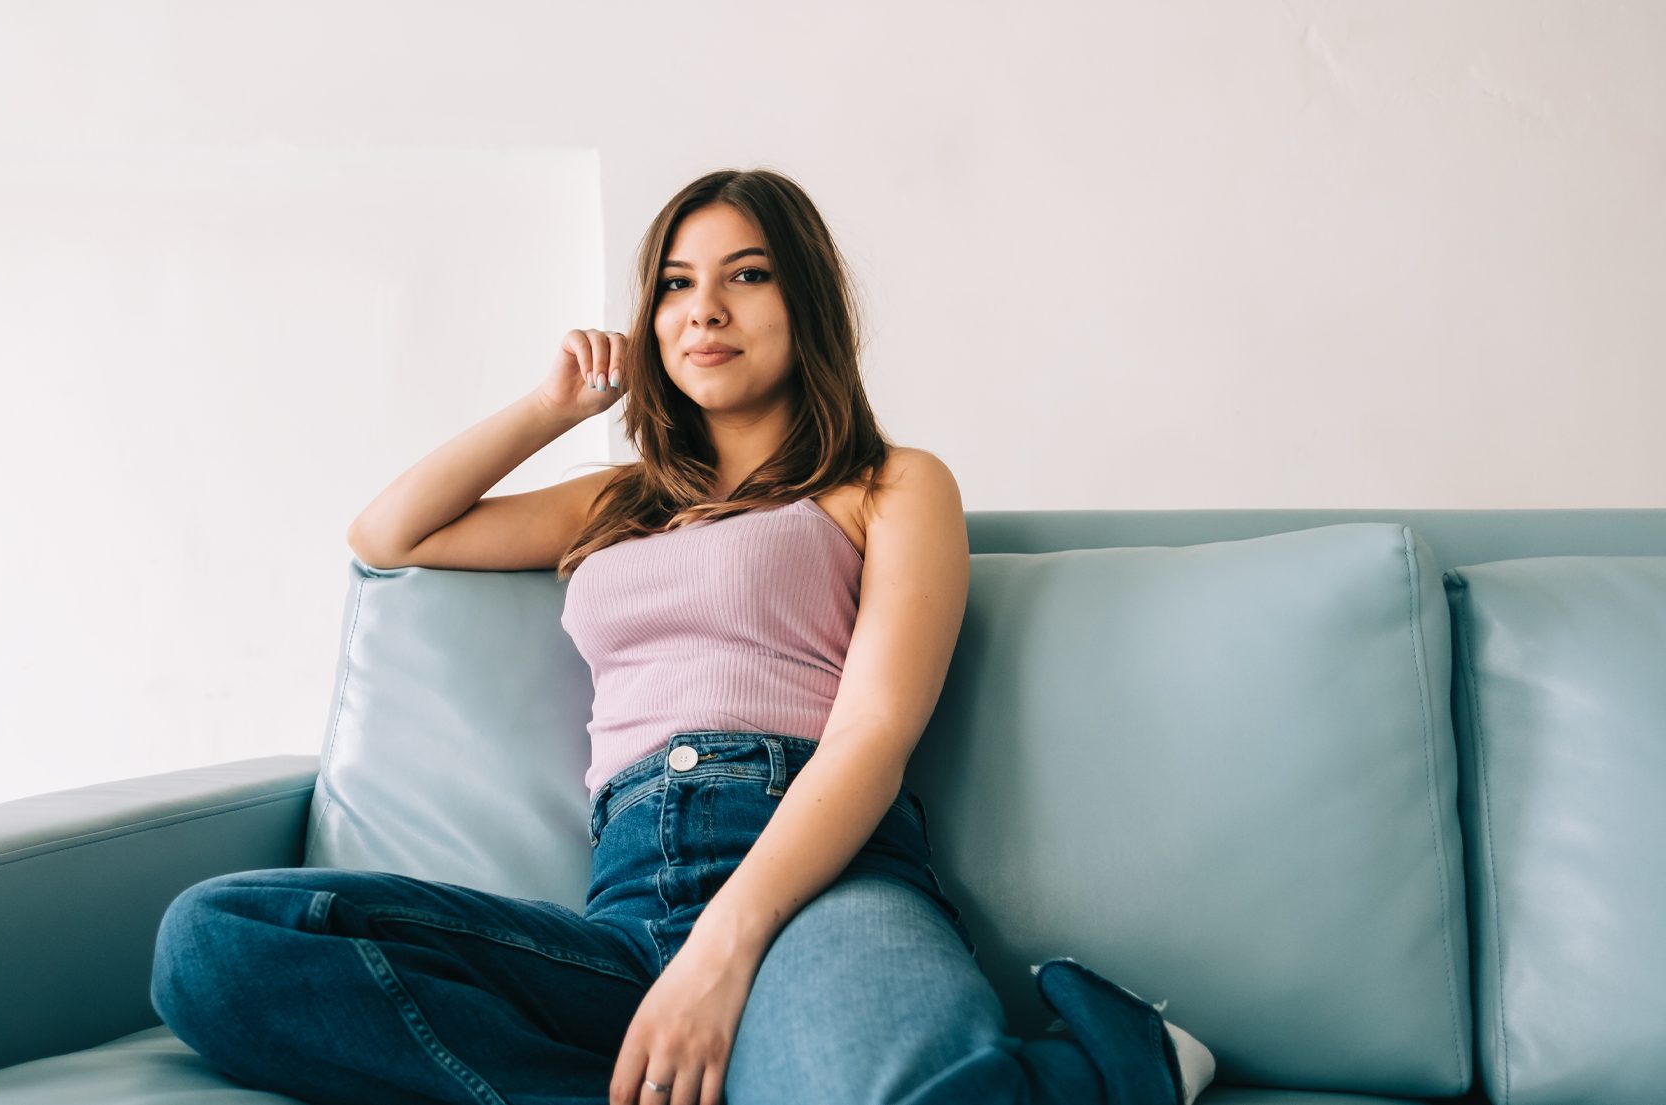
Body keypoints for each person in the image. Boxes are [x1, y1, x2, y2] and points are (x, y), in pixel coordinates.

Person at [149, 167, 1217, 1105]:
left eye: (746, 275)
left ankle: (1120, 1060)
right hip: (625, 918)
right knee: (215, 945)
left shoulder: (889, 486)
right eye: (674, 283)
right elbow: (391, 533)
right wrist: (552, 405)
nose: (703, 308)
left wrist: (725, 947)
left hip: (821, 888)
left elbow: (873, 738)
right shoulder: (620, 498)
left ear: (807, 305)